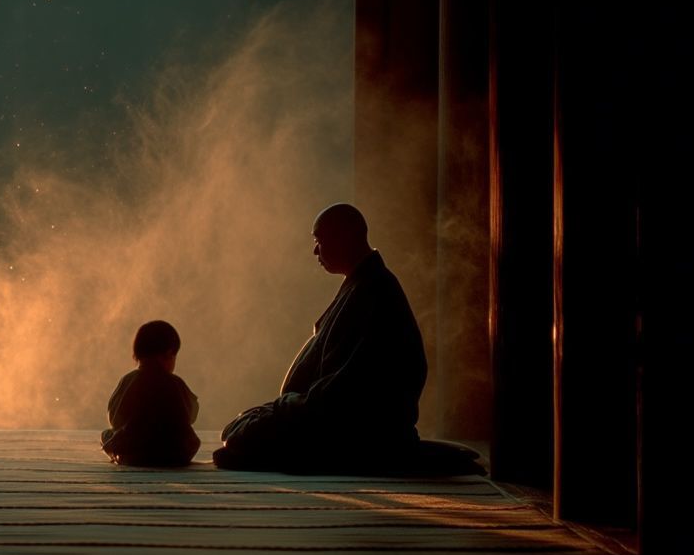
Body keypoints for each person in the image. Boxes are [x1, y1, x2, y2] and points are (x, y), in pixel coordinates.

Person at [213, 203, 474, 474]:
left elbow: (350, 388)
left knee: (240, 440)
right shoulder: (361, 285)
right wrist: (286, 406)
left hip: (354, 428)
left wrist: (289, 406)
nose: (315, 250)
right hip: (322, 414)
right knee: (238, 431)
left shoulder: (376, 291)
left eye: (319, 240)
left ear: (345, 237)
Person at [101, 320, 202, 467]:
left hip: (134, 455)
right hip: (176, 454)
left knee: (106, 435)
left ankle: (118, 454)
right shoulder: (175, 382)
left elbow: (115, 418)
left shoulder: (128, 381)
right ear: (168, 354)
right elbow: (191, 413)